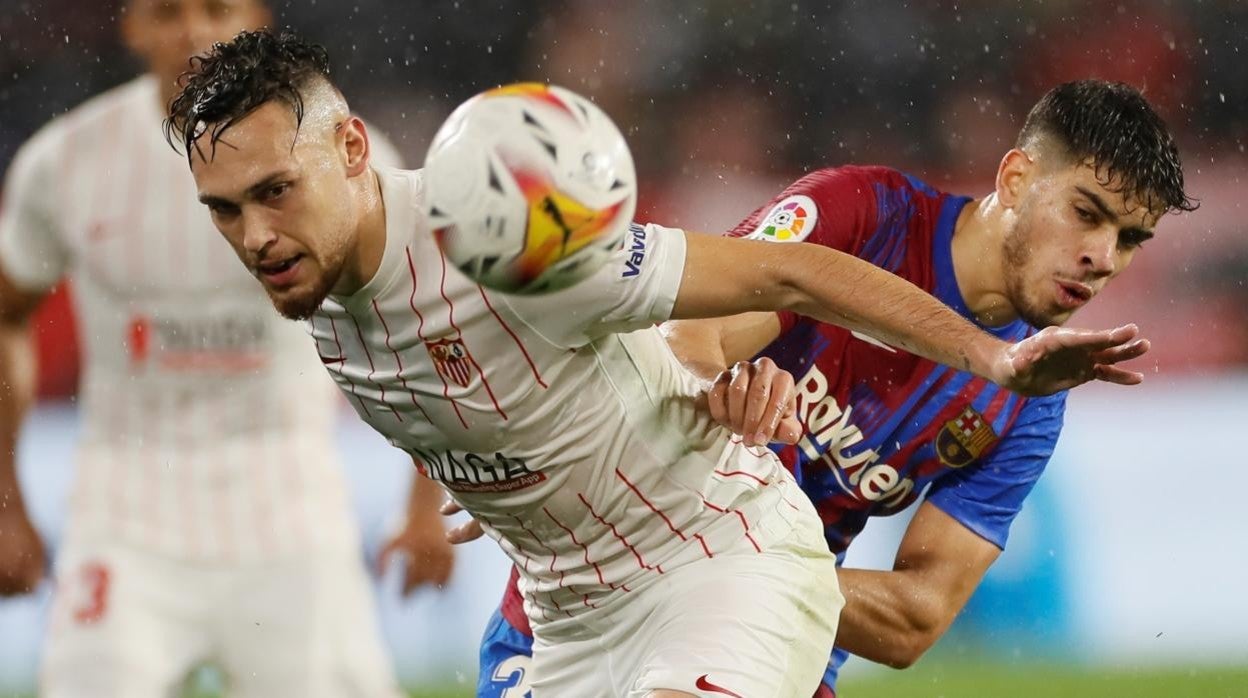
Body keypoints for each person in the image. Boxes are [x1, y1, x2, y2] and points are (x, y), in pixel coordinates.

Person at [166, 29, 1147, 698]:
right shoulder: (323, 304)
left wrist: (991, 359)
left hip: (718, 566)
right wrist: (534, 472)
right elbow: (475, 377)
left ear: (347, 150)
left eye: (275, 192)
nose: (254, 236)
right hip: (563, 601)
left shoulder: (509, 239)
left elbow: (771, 285)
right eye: (223, 211)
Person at [474, 79, 1192, 697]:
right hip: (589, 608)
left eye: (1129, 239)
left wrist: (739, 566)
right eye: (1086, 213)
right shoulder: (865, 213)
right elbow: (692, 335)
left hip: (770, 649)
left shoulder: (1031, 400)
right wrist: (688, 401)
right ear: (1013, 179)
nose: (1101, 256)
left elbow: (916, 614)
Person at [0, 3, 444, 696]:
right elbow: (7, 316)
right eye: (167, 12)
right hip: (122, 513)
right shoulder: (63, 164)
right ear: (132, 28)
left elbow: (417, 317)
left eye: (216, 8)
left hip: (289, 509)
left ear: (255, 17)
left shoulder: (336, 151)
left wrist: (427, 507)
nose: (194, 31)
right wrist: (5, 503)